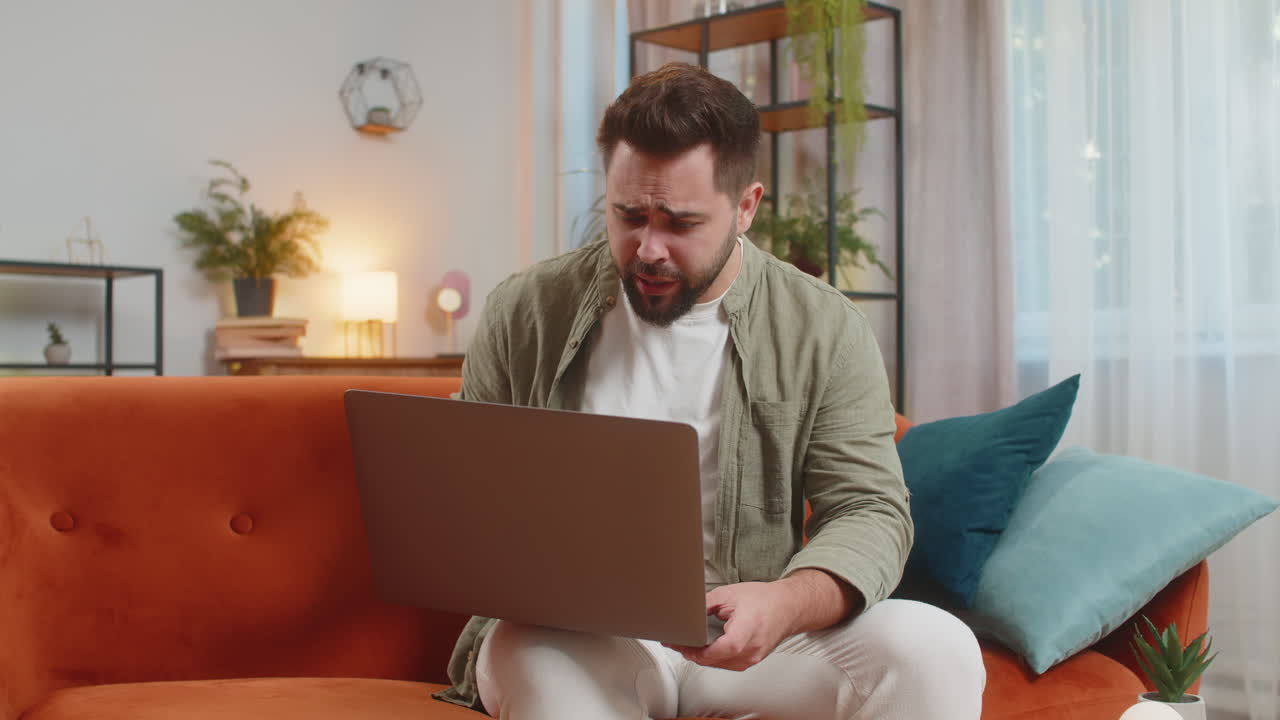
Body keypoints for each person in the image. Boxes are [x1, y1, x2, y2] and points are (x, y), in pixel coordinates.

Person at [435, 62, 985, 720]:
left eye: (681, 223)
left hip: (750, 645)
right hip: (570, 643)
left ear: (746, 207)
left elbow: (871, 512)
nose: (649, 248)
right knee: (534, 666)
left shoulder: (824, 327)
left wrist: (785, 602)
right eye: (628, 215)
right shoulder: (525, 310)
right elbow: (464, 495)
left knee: (937, 648)